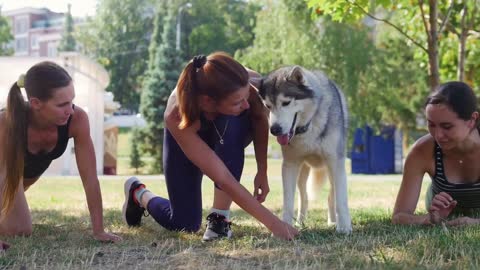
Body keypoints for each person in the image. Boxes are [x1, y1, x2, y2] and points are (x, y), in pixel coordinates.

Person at [122, 52, 298, 241]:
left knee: (232, 121)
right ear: (207, 101)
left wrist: (262, 170)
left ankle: (219, 219)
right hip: (186, 134)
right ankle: (138, 193)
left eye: (245, 97)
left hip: (227, 131)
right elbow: (223, 178)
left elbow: (258, 118)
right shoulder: (176, 116)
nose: (246, 105)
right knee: (185, 223)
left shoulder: (247, 84)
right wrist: (275, 225)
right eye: (238, 101)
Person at [0, 61, 122, 251]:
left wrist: (99, 230)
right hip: (3, 178)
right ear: (36, 104)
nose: (70, 109)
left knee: (18, 227)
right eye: (62, 104)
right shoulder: (7, 123)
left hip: (14, 186)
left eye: (72, 101)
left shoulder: (77, 120)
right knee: (19, 229)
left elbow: (90, 179)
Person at [393, 81, 480, 226]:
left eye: (447, 126)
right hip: (437, 201)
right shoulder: (421, 151)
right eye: (431, 124)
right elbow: (399, 216)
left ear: (472, 120)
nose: (438, 135)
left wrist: (473, 222)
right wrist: (430, 219)